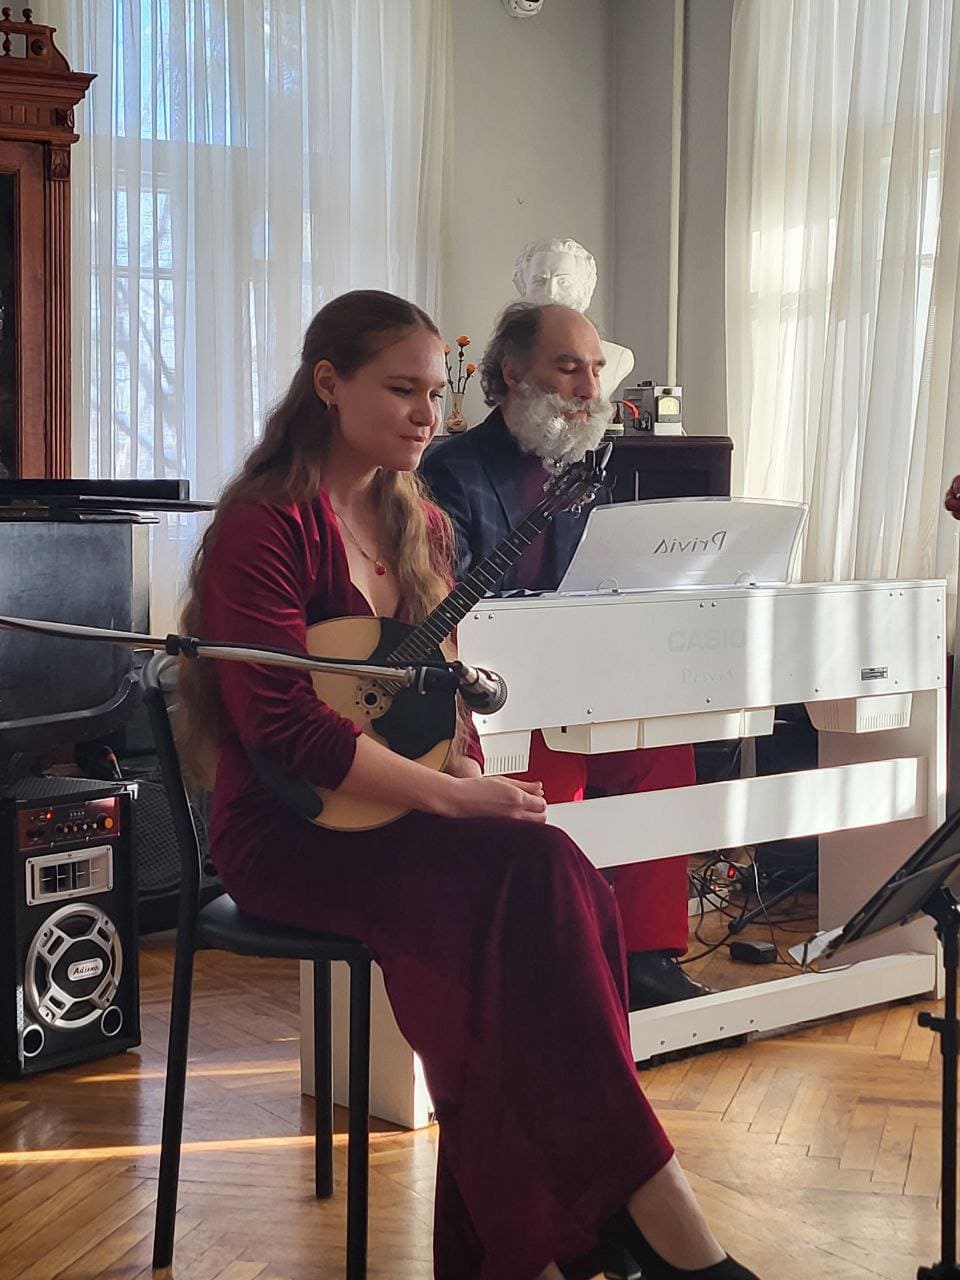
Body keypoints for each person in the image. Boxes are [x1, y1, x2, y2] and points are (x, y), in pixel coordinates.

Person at [176, 289, 758, 1280]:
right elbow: (285, 727)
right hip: (289, 828)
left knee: (558, 877)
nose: (427, 415)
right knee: (516, 892)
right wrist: (453, 800)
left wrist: (469, 772)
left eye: (435, 394)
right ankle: (639, 1215)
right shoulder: (264, 525)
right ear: (329, 385)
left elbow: (443, 696)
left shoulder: (417, 520)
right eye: (401, 390)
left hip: (398, 807)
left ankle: (557, 1234)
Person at [421, 301, 706, 1012]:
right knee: (556, 773)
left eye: (596, 371)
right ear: (514, 373)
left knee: (663, 751)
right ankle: (557, 962)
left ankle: (646, 958)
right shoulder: (451, 468)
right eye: (569, 368)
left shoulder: (587, 467)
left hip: (584, 687)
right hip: (493, 705)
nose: (589, 389)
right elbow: (446, 604)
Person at [513, 237, 634, 400]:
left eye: (563, 282)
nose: (551, 292)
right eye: (539, 281)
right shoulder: (509, 356)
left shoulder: (617, 357)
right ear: (523, 287)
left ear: (584, 290)